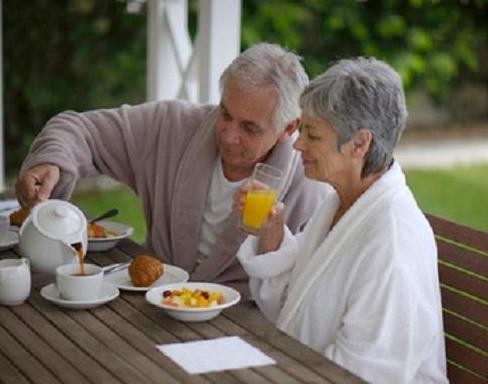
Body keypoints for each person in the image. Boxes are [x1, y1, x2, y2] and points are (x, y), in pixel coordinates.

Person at [14, 43, 330, 296]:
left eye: (249, 128)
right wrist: (51, 160)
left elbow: (301, 297)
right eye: (225, 113)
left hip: (242, 329)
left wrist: (272, 237)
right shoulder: (171, 126)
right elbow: (77, 128)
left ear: (289, 128)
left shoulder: (311, 186)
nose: (229, 135)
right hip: (150, 302)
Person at [235, 57, 448, 383]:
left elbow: (368, 373)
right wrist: (272, 234)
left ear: (360, 143)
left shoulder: (393, 240)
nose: (297, 144)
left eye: (313, 135)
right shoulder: (341, 203)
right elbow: (295, 309)